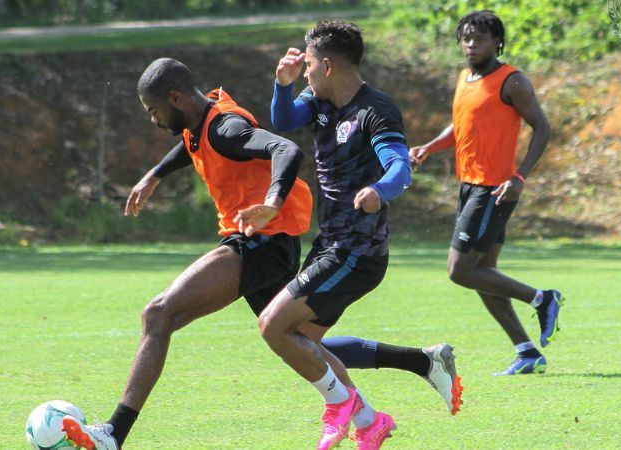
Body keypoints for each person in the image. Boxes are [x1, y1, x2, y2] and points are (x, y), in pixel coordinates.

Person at [60, 57, 313, 450]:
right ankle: (421, 361)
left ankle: (113, 434)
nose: (153, 120)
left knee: (158, 313)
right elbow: (191, 144)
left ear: (175, 99)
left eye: (154, 111)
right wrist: (154, 175)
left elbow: (286, 149)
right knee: (301, 343)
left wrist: (271, 201)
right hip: (262, 243)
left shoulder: (227, 127)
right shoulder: (200, 123)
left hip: (262, 242)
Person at [265, 20, 460, 450]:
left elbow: (400, 167)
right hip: (330, 244)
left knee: (273, 326)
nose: (307, 71)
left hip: (358, 251)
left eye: (310, 64)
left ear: (328, 65)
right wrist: (282, 84)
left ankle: (341, 406)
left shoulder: (375, 109)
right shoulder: (316, 100)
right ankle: (372, 420)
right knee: (307, 343)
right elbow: (283, 120)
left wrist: (378, 190)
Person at [408, 10, 561, 375]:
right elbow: (462, 124)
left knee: (460, 271)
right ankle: (527, 352)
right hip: (469, 185)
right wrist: (429, 147)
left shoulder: (513, 81)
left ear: (497, 41)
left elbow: (542, 128)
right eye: (466, 38)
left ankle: (542, 299)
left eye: (479, 38)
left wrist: (519, 177)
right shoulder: (465, 77)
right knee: (483, 273)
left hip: (495, 190)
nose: (471, 44)